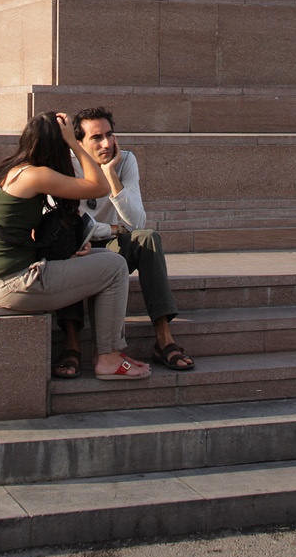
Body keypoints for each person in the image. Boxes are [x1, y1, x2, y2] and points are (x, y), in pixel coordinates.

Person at [0, 109, 151, 380]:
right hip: (15, 284)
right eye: (65, 143)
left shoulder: (10, 170)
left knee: (92, 260)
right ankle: (108, 357)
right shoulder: (36, 175)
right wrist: (76, 145)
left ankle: (106, 352)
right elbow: (99, 186)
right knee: (115, 266)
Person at [53, 106, 194, 378]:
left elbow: (136, 223)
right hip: (78, 247)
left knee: (148, 239)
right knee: (66, 248)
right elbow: (69, 225)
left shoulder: (125, 161)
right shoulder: (65, 166)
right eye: (96, 138)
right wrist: (111, 229)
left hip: (110, 246)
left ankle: (163, 338)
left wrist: (110, 174)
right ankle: (71, 343)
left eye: (110, 134)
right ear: (78, 143)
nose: (107, 144)